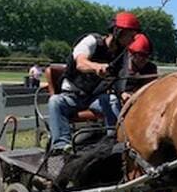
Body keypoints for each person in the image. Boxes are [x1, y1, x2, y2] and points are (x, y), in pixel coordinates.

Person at [46, 11, 141, 151]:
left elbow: (120, 83)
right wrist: (96, 67)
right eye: (131, 35)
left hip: (94, 98)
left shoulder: (123, 54)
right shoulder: (91, 41)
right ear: (118, 32)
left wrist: (123, 93)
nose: (133, 39)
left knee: (112, 99)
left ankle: (115, 141)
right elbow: (80, 62)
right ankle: (62, 145)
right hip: (71, 96)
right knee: (55, 101)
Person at [120, 33, 158, 103]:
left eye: (147, 56)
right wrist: (121, 94)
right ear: (131, 54)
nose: (144, 59)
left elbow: (151, 91)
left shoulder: (150, 68)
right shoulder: (120, 66)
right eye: (141, 55)